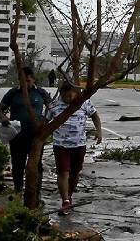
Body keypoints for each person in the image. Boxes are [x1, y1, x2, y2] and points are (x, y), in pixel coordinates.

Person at [46, 81, 102, 215]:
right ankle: (65, 200)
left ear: (76, 93)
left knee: (75, 173)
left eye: (72, 96)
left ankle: (69, 195)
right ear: (61, 94)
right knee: (63, 172)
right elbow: (44, 122)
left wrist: (98, 131)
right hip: (60, 145)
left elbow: (95, 115)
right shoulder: (53, 106)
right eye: (66, 97)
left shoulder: (83, 102)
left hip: (79, 144)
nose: (69, 99)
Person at [0, 66, 52, 193]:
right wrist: (4, 118)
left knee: (36, 164)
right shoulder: (13, 93)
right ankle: (18, 190)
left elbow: (52, 108)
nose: (25, 83)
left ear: (33, 79)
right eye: (22, 80)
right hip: (17, 135)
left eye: (28, 80)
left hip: (36, 135)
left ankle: (35, 191)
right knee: (17, 164)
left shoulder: (41, 92)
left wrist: (44, 119)